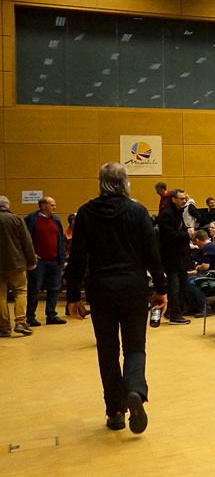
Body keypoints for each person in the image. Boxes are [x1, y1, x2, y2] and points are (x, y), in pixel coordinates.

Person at [65, 163, 167, 433]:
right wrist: (161, 288)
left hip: (101, 290)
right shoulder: (138, 211)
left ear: (100, 183)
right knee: (135, 348)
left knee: (107, 351)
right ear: (125, 183)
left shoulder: (86, 212)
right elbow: (152, 253)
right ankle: (135, 389)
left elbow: (77, 257)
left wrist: (73, 295)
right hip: (133, 287)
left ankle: (115, 412)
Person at [24, 195, 67, 326]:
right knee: (34, 289)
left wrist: (62, 259)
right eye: (52, 205)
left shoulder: (56, 219)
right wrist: (31, 255)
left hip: (54, 260)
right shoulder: (31, 219)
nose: (55, 207)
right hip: (39, 262)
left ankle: (51, 315)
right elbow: (25, 239)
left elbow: (60, 240)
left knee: (54, 288)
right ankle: (30, 317)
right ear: (43, 206)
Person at [0, 196, 37, 338]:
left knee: (1, 296)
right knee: (20, 292)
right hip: (17, 263)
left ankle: (4, 328)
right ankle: (20, 322)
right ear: (7, 206)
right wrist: (32, 260)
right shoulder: (16, 219)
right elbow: (26, 241)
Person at [157, 188, 192, 325]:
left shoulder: (177, 212)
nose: (184, 200)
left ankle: (173, 312)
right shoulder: (167, 214)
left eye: (185, 198)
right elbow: (168, 235)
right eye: (181, 198)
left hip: (179, 256)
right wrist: (187, 234)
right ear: (173, 199)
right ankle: (175, 315)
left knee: (181, 286)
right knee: (175, 287)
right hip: (172, 257)